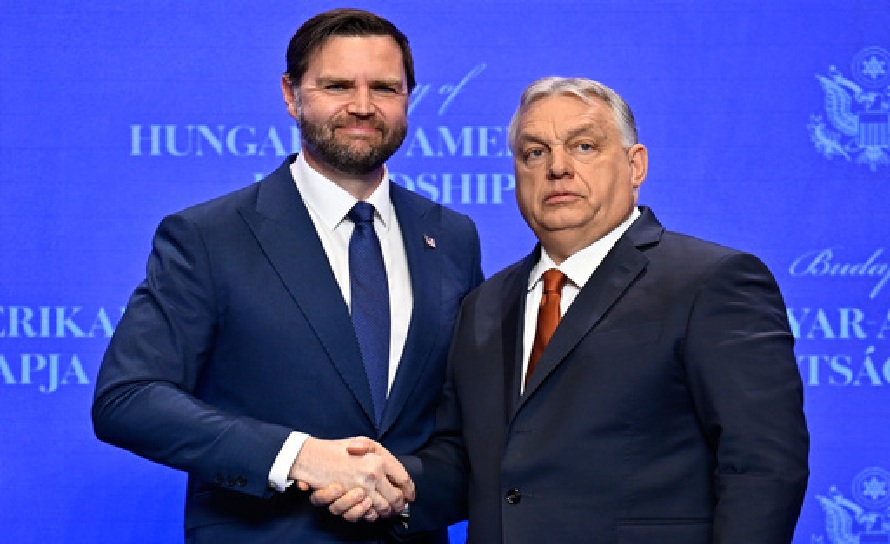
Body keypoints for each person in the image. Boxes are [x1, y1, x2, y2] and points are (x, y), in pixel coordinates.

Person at [318, 76, 810, 543]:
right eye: (535, 152)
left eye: (584, 146)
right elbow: (469, 463)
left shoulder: (711, 282)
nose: (557, 168)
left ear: (636, 165)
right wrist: (394, 485)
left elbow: (763, 466)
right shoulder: (484, 305)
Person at [91, 8, 483, 544]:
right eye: (337, 86)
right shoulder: (209, 236)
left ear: (408, 98)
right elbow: (128, 398)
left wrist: (403, 485)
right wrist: (299, 457)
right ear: (291, 95)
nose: (362, 105)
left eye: (384, 88)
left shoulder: (452, 237)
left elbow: (468, 422)